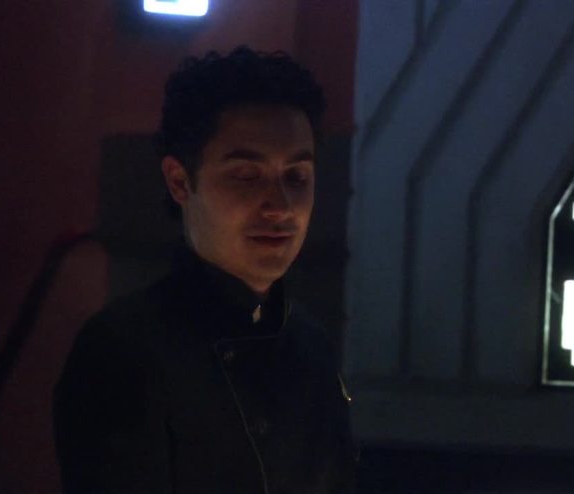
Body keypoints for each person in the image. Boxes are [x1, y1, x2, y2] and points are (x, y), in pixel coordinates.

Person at [53, 46, 356, 493]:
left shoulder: (312, 348)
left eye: (296, 177)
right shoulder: (124, 350)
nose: (280, 207)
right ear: (180, 181)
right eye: (247, 175)